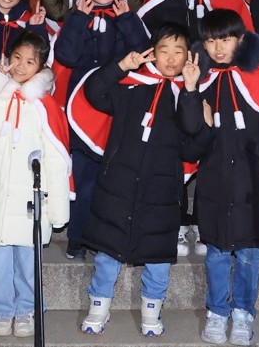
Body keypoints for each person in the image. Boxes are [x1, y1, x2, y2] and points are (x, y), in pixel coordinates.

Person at [77, 24, 204, 337]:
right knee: (107, 252)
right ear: (152, 53)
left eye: (179, 51)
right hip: (118, 185)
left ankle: (152, 309)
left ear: (189, 56)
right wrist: (122, 66)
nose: (171, 58)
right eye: (164, 50)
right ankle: (99, 305)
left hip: (161, 191)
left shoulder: (189, 94)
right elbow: (94, 93)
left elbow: (194, 139)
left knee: (158, 257)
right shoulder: (132, 86)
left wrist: (190, 91)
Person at [0, 31, 70, 338]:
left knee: (28, 261)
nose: (21, 66)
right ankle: (1, 309)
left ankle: (27, 308)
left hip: (28, 199)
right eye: (16, 58)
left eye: (30, 61)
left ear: (41, 66)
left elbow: (57, 158)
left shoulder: (44, 106)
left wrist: (57, 208)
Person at [191, 9, 259, 347]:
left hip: (253, 181)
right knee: (217, 252)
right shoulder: (200, 80)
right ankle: (217, 312)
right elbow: (190, 138)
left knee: (249, 254)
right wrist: (193, 100)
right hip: (216, 181)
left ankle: (244, 313)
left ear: (240, 39)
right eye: (210, 40)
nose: (218, 47)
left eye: (225, 39)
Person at [55, 0, 149, 260]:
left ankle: (105, 237)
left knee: (111, 177)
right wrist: (78, 19)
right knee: (83, 175)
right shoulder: (76, 17)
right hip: (81, 108)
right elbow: (66, 56)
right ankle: (78, 236)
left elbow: (144, 54)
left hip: (115, 106)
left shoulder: (129, 18)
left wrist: (127, 21)